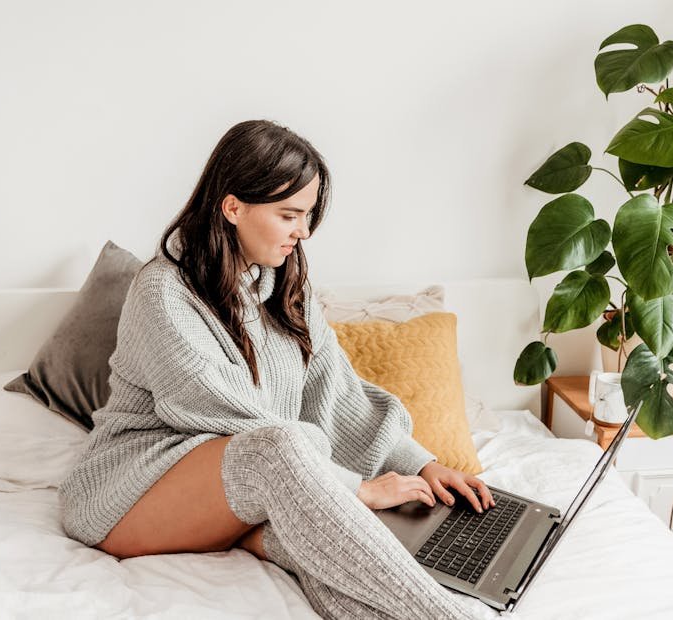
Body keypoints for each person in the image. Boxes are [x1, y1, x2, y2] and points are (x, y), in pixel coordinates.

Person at [58, 119, 492, 619]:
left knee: (315, 547)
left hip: (237, 488)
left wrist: (420, 463)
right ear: (233, 207)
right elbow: (229, 415)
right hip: (129, 489)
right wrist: (355, 490)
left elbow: (336, 394)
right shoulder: (162, 291)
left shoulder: (287, 286)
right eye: (289, 215)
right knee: (282, 455)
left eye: (307, 216)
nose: (303, 232)